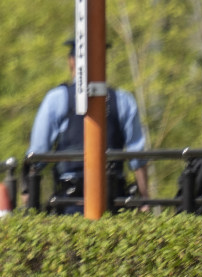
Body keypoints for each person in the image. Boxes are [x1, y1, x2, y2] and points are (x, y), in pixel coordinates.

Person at [27, 39, 149, 210]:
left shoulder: (56, 99)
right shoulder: (123, 100)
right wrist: (145, 199)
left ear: (71, 62)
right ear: (103, 60)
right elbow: (137, 157)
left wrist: (27, 196)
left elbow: (37, 155)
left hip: (70, 200)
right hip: (114, 199)